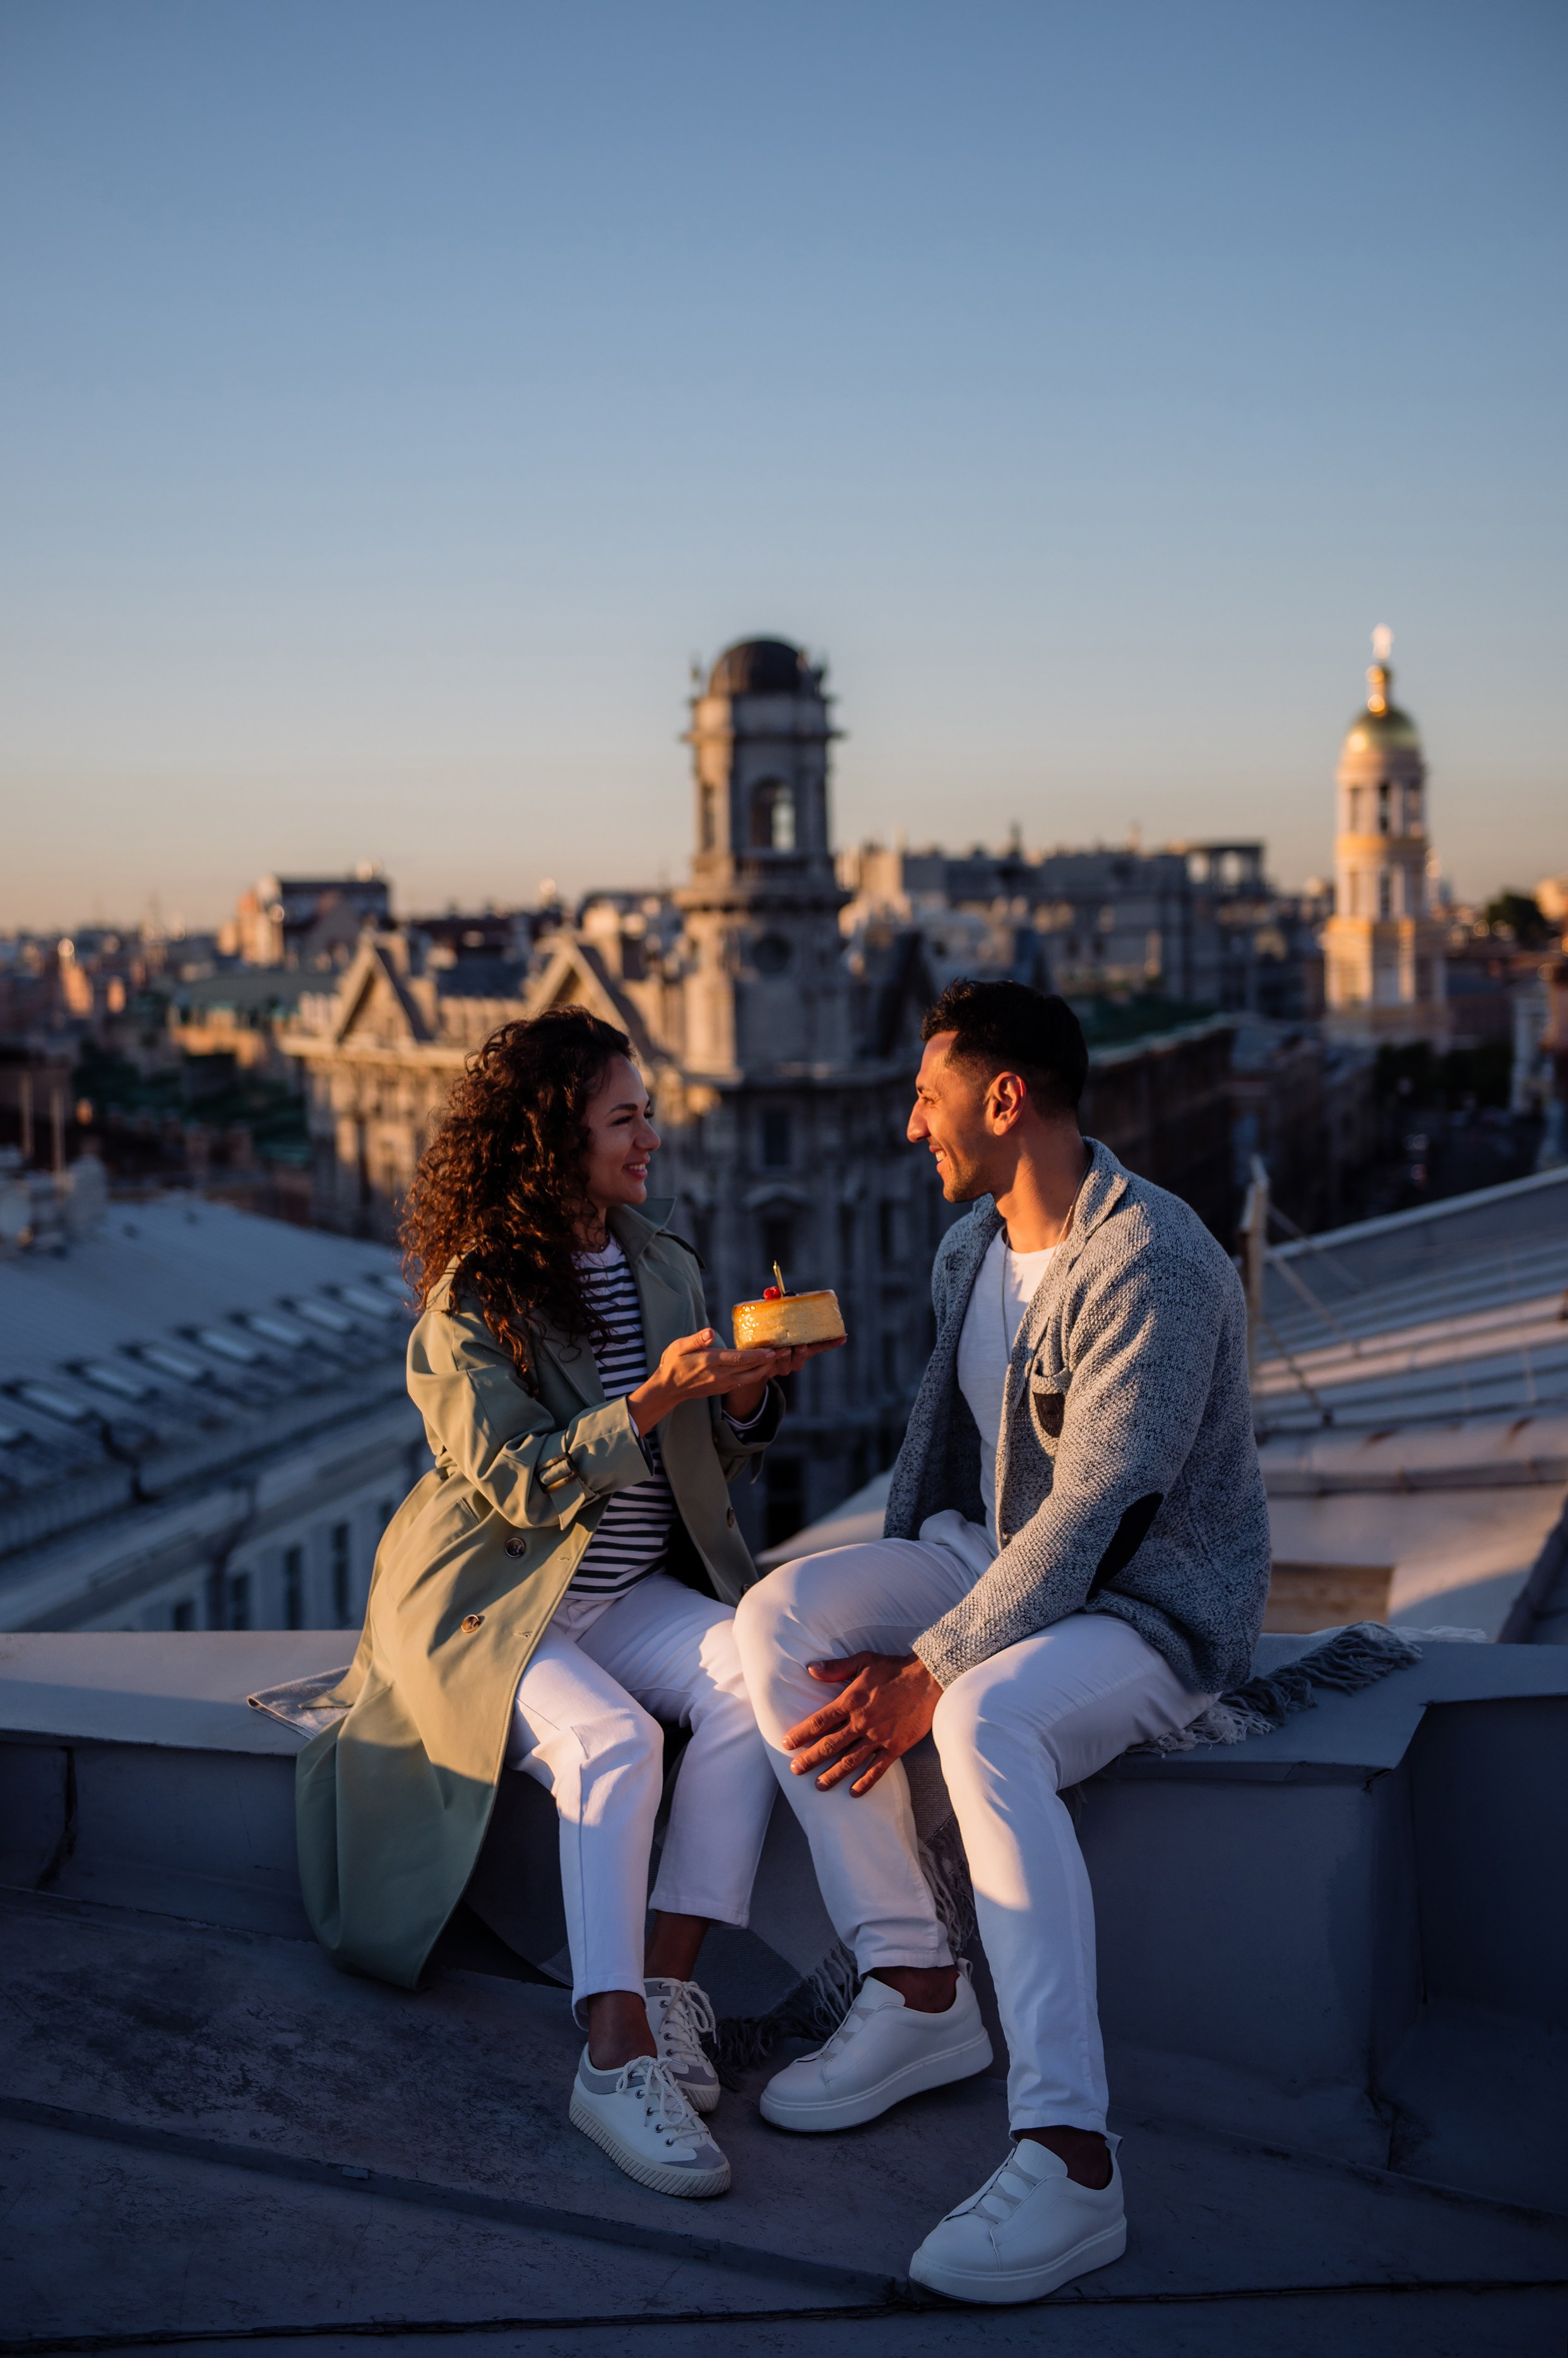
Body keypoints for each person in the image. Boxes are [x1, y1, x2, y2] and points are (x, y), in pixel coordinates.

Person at [734, 977, 1271, 2302]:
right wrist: (909, 1607)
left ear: (1005, 1096)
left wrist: (934, 1661)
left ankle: (1071, 2154)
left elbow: (1101, 1502)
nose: (912, 1122)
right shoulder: (971, 1247)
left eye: (928, 1095)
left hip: (1148, 1604)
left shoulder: (1154, 1257)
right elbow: (959, 1458)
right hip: (1001, 1559)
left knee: (982, 1719)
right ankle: (916, 1986)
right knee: (779, 1615)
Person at [296, 1008, 836, 2200]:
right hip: (502, 1605)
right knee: (615, 1745)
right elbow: (519, 1484)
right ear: (555, 1136)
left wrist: (740, 1402)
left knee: (762, 1673)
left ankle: (667, 1986)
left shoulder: (664, 1259)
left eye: (648, 1112)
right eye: (624, 1118)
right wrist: (651, 1400)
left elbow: (700, 1459)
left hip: (629, 1594)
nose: (651, 1136)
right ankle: (612, 2060)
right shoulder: (467, 1303)